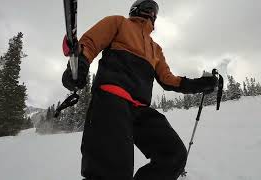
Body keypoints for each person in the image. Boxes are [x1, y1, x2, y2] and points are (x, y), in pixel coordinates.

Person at [62, 0, 218, 179]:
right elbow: (89, 43)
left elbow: (168, 80)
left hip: (140, 109)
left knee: (174, 156)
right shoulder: (119, 22)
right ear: (136, 9)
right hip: (112, 100)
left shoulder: (156, 49)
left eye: (155, 10)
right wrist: (80, 64)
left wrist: (200, 84)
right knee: (112, 171)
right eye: (148, 7)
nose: (152, 13)